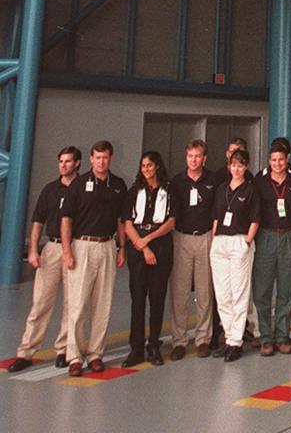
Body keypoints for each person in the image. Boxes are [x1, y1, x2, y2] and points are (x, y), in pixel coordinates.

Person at [8, 146, 82, 372]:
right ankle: (26, 351)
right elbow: (38, 221)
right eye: (61, 161)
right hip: (52, 248)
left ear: (77, 163)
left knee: (72, 304)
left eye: (68, 161)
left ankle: (64, 350)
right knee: (40, 302)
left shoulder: (84, 188)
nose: (63, 165)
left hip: (77, 248)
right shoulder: (50, 190)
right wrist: (33, 250)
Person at [60, 140, 127, 376]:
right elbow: (66, 219)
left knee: (103, 303)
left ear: (111, 158)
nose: (101, 162)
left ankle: (96, 354)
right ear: (90, 159)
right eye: (97, 157)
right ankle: (74, 357)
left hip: (107, 246)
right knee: (77, 304)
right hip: (82, 246)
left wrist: (122, 248)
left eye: (105, 157)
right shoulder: (78, 184)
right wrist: (67, 251)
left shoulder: (118, 185)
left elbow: (121, 220)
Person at [253, 140, 291, 356]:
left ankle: (283, 336)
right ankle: (266, 337)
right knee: (263, 288)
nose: (277, 163)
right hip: (266, 236)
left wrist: (289, 227)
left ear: (287, 161)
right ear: (269, 161)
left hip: (289, 236)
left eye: (281, 160)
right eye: (274, 160)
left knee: (287, 288)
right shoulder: (260, 182)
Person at [122, 151, 175, 367]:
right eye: (143, 166)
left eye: (150, 165)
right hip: (138, 246)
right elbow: (127, 223)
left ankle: (154, 345)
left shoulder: (169, 191)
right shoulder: (134, 191)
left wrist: (150, 239)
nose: (146, 169)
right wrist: (143, 246)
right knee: (137, 298)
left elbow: (171, 221)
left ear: (157, 167)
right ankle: (136, 348)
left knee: (157, 298)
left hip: (160, 244)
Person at [169, 138, 217, 360]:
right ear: (185, 157)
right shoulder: (176, 182)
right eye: (190, 156)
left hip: (205, 237)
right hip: (182, 238)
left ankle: (203, 339)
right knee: (179, 292)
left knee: (205, 292)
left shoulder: (213, 181)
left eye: (198, 156)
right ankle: (179, 340)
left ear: (204, 158)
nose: (194, 160)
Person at [210, 147, 260, 363]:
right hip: (220, 242)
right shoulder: (221, 189)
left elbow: (255, 219)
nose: (236, 169)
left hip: (240, 240)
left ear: (246, 167)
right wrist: (214, 239)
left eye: (240, 165)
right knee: (222, 294)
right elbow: (216, 216)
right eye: (233, 165)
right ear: (228, 166)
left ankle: (236, 341)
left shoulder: (250, 190)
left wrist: (247, 241)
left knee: (239, 292)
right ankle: (229, 336)